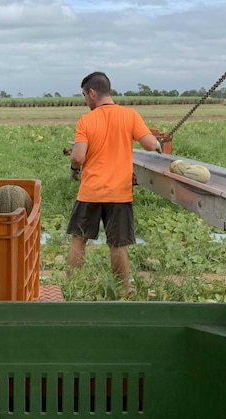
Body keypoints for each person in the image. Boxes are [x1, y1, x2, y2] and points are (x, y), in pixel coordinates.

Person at [67, 71, 163, 296]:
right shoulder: (130, 115)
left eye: (84, 95)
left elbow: (78, 157)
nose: (85, 100)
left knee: (79, 239)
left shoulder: (86, 120)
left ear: (92, 93)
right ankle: (123, 289)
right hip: (120, 193)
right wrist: (160, 145)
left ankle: (73, 286)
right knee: (118, 244)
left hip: (90, 192)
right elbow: (150, 144)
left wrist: (73, 170)